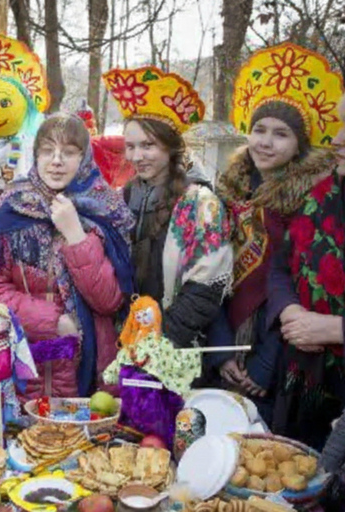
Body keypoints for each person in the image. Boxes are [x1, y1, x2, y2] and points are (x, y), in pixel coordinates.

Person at [215, 42, 342, 425]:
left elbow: (289, 279)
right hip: (223, 336)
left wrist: (267, 363)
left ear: (299, 143)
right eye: (259, 130)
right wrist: (221, 352)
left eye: (281, 134)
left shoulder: (312, 200)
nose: (266, 142)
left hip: (279, 348)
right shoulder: (227, 191)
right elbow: (213, 276)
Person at [0, 114, 135, 398]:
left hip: (86, 374)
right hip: (24, 368)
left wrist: (75, 235)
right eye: (48, 150)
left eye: (69, 152)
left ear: (85, 157)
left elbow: (109, 300)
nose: (57, 160)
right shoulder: (12, 208)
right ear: (36, 155)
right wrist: (54, 322)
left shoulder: (107, 209)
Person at [102, 66, 233, 349]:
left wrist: (161, 340)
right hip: (128, 341)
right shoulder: (121, 199)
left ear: (171, 147)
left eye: (148, 145)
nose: (137, 156)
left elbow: (205, 288)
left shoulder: (200, 204)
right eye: (131, 146)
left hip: (177, 348)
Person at [266, 91, 345, 450]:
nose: (338, 140)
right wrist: (291, 310)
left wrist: (332, 329)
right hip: (302, 375)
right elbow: (281, 266)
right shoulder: (321, 196)